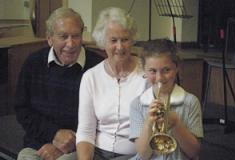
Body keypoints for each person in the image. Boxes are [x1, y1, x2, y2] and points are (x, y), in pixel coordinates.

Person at [15, 7, 103, 160]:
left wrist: (70, 142)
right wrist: (53, 135)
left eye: (76, 36)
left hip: (82, 145)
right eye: (63, 36)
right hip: (38, 144)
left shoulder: (98, 67)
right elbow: (22, 110)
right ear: (50, 38)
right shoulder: (33, 63)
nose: (71, 44)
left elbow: (105, 117)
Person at [76, 7, 146, 160]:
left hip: (135, 155)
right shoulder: (91, 77)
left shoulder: (147, 74)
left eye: (125, 40)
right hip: (97, 152)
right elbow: (86, 131)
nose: (120, 47)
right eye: (113, 40)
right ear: (103, 42)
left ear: (132, 40)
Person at [129, 39, 203, 160]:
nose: (159, 78)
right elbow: (143, 154)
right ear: (144, 70)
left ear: (177, 68)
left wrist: (176, 124)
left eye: (166, 70)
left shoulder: (190, 102)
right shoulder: (137, 104)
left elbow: (194, 152)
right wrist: (148, 123)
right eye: (153, 71)